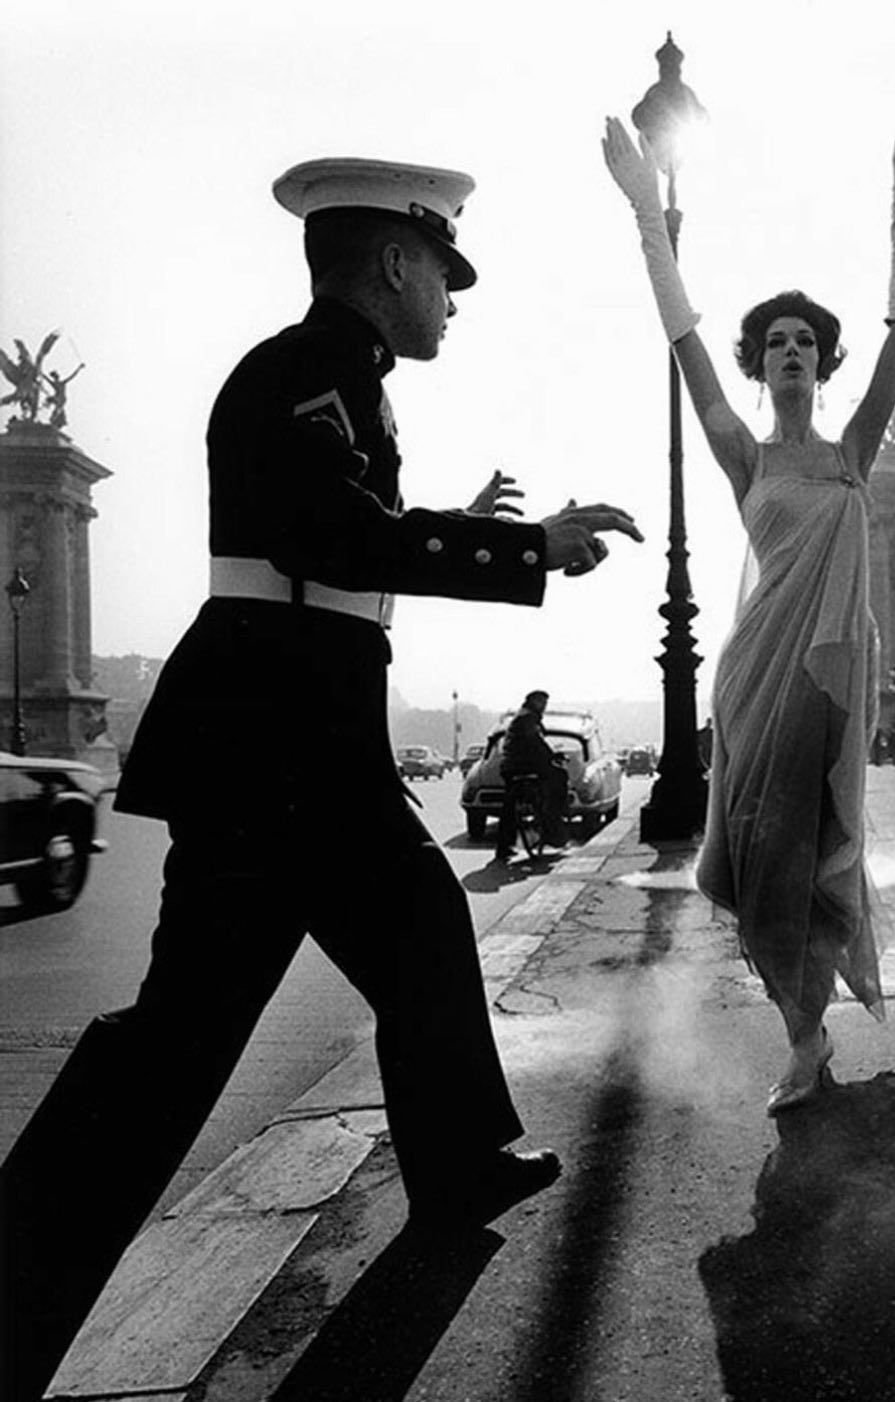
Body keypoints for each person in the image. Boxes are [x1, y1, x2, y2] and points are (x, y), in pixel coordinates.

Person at [0, 155, 644, 1402]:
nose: (451, 300)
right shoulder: (306, 373)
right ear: (393, 262)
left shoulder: (340, 381)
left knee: (421, 930)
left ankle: (457, 1165)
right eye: (443, 274)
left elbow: (338, 542)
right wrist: (525, 545)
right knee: (180, 1042)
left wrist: (466, 519)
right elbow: (332, 538)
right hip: (272, 752)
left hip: (306, 745)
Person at [603, 118, 895, 1114]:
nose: (792, 351)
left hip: (826, 682)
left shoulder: (852, 451)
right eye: (777, 343)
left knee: (808, 855)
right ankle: (804, 1032)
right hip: (753, 680)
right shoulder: (744, 455)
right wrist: (644, 210)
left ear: (821, 366)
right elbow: (684, 343)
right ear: (760, 366)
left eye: (806, 343)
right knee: (754, 865)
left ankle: (802, 1039)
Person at [494, 689, 570, 858]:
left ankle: (504, 845)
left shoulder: (520, 716)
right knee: (559, 775)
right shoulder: (528, 718)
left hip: (510, 767)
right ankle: (554, 819)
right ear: (534, 702)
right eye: (542, 702)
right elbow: (536, 743)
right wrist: (552, 756)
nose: (544, 706)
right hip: (524, 765)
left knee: (509, 806)